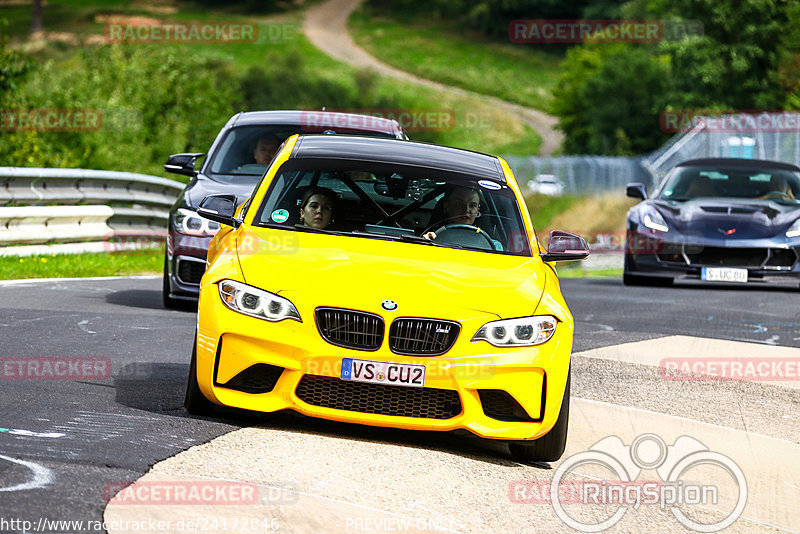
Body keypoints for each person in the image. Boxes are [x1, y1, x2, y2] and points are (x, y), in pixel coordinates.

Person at [423, 185, 503, 250]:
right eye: (459, 204)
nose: (466, 210)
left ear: (477, 211)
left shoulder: (493, 247)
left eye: (472, 205)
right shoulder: (432, 239)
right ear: (446, 207)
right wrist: (423, 244)